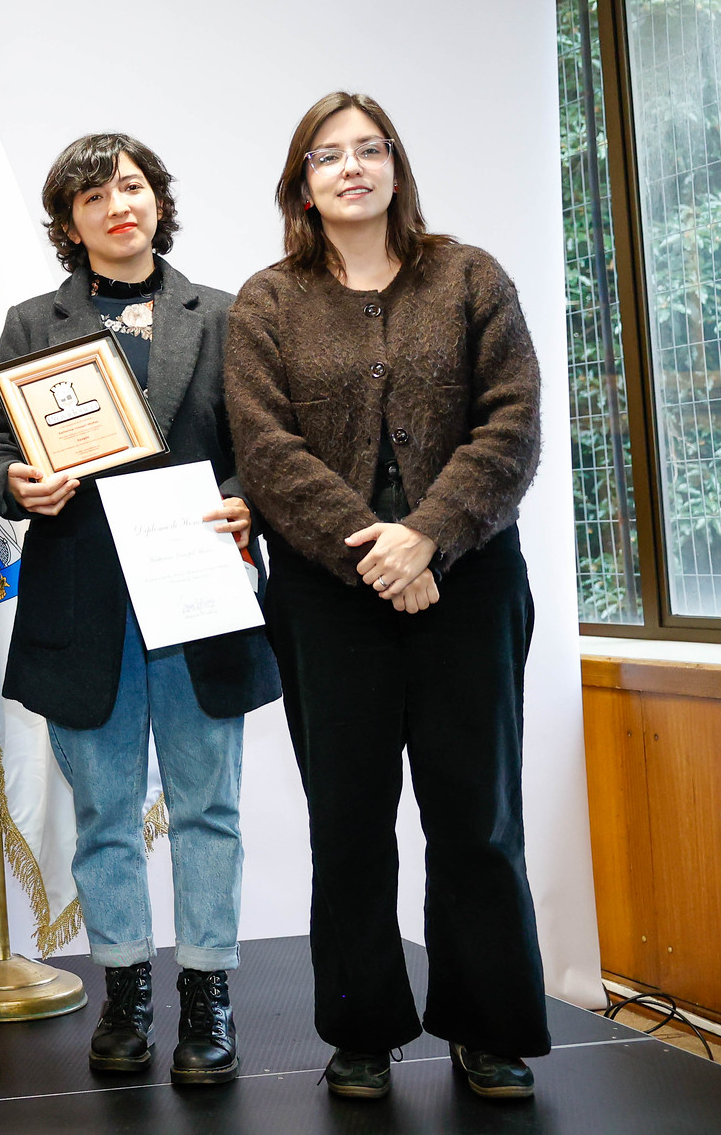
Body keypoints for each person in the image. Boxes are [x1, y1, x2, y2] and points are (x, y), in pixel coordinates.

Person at [225, 92, 545, 1102]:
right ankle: (360, 1028)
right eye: (327, 155)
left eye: (369, 149)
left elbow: (512, 423)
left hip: (470, 582)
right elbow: (264, 450)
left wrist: (427, 536)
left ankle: (486, 1027)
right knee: (348, 822)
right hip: (327, 596)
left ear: (396, 168)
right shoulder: (266, 302)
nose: (351, 167)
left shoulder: (469, 277)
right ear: (301, 184)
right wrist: (374, 552)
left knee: (476, 817)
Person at [0, 133, 280, 1086]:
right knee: (105, 813)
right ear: (70, 223)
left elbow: (267, 445)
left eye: (134, 186)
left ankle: (208, 993)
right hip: (84, 603)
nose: (119, 205)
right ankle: (125, 990)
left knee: (208, 808)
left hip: (198, 594)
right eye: (95, 195)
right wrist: (15, 483)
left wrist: (248, 498)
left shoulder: (224, 313)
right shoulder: (34, 322)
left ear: (158, 201)